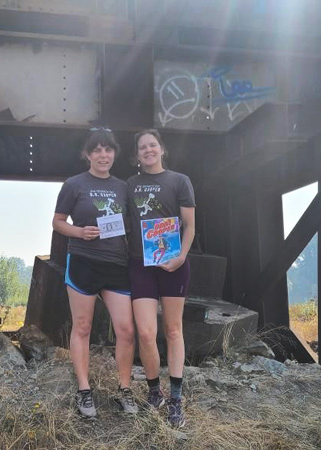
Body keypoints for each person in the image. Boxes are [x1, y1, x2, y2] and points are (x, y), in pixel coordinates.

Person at [52, 127, 138, 418]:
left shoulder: (124, 187)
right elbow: (58, 222)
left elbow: (135, 222)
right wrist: (79, 232)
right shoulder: (74, 184)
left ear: (114, 154)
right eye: (97, 150)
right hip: (83, 262)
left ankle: (124, 389)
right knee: (83, 328)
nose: (103, 155)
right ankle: (84, 389)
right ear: (87, 154)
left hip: (116, 265)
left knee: (126, 330)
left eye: (108, 149)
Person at [127, 129, 195, 428]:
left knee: (173, 329)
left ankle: (176, 399)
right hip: (140, 265)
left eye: (152, 145)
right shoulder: (130, 185)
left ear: (162, 149)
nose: (148, 150)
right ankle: (155, 391)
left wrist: (181, 256)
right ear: (137, 154)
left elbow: (190, 225)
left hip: (174, 263)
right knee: (145, 332)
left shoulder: (179, 181)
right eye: (142, 147)